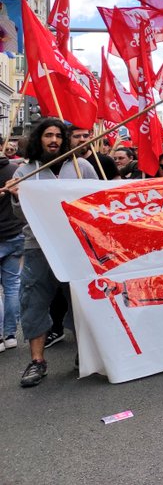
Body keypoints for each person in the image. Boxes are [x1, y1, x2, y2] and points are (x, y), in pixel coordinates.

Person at [7, 118, 97, 387]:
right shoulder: (23, 172)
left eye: (59, 135)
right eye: (48, 135)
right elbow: (20, 215)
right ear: (39, 139)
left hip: (76, 247)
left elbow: (97, 204)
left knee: (82, 302)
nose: (54, 140)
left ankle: (86, 355)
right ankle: (37, 361)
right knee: (34, 302)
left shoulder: (83, 168)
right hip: (38, 247)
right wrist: (16, 196)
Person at [0, 148, 22, 354]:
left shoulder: (16, 170)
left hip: (8, 235)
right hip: (15, 234)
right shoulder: (16, 170)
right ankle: (10, 334)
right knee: (12, 285)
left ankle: (1, 335)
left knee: (10, 286)